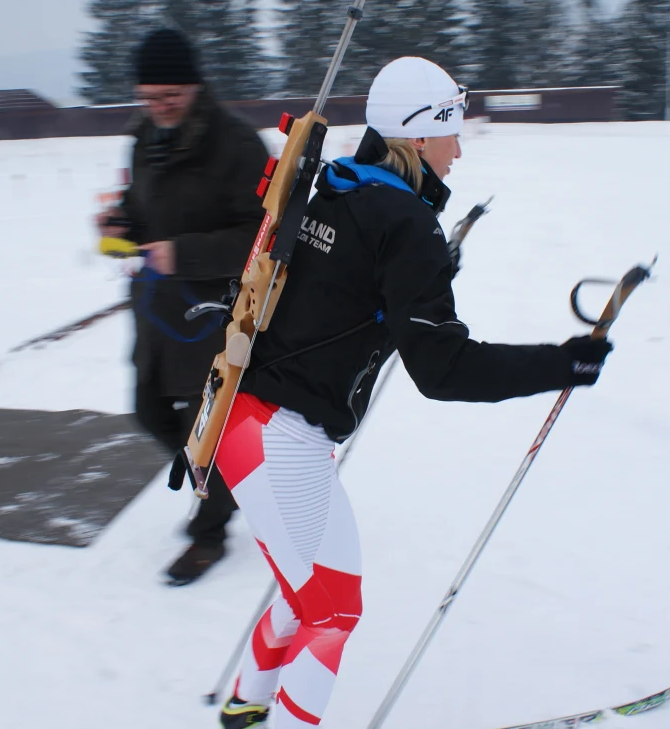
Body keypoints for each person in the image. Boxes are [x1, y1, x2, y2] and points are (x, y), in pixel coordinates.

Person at [212, 56, 615, 728]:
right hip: (280, 440)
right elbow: (444, 369)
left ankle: (246, 705)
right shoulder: (405, 224)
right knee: (332, 611)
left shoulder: (338, 186)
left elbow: (340, 289)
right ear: (419, 135)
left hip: (243, 424)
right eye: (453, 130)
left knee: (306, 591)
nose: (460, 148)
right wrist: (563, 363)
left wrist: (410, 284)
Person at [96, 27, 268, 586]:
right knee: (147, 410)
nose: (159, 106)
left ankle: (210, 530)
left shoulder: (238, 146)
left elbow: (261, 233)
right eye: (148, 96)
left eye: (169, 95)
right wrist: (121, 222)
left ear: (195, 85)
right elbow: (138, 201)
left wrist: (184, 253)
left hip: (214, 317)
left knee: (207, 428)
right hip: (156, 310)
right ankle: (225, 478)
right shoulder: (145, 136)